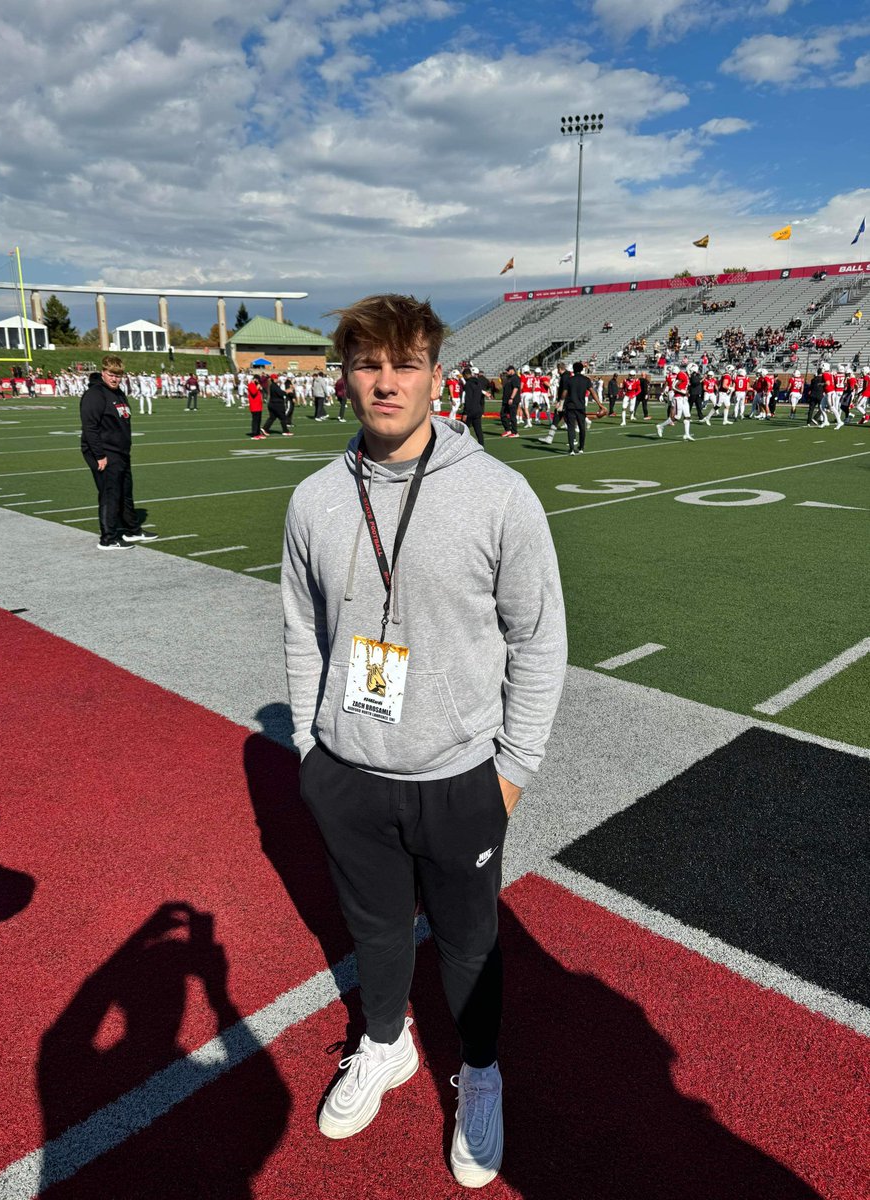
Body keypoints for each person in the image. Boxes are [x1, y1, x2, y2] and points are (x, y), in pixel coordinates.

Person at [281, 293, 566, 1190]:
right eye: (368, 364)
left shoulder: (497, 494)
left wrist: (512, 771)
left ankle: (479, 1071)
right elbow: (301, 629)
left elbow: (541, 638)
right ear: (345, 376)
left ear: (437, 375)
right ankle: (384, 1043)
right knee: (373, 932)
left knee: (471, 944)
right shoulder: (316, 500)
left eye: (405, 363)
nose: (386, 381)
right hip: (348, 772)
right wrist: (306, 747)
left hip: (458, 775)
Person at [79, 355, 159, 550]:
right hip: (104, 451)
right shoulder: (95, 394)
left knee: (125, 491)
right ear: (103, 372)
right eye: (111, 374)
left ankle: (132, 530)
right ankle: (108, 538)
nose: (115, 378)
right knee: (110, 493)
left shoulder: (118, 392)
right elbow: (90, 428)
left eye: (118, 375)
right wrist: (99, 455)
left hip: (120, 451)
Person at [561, 360, 592, 454]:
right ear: (582, 369)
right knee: (582, 427)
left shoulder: (569, 380)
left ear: (573, 370)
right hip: (581, 406)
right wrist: (599, 404)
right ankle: (581, 447)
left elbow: (564, 393)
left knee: (571, 427)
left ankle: (571, 449)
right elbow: (592, 392)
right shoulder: (586, 380)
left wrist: (561, 402)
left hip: (570, 406)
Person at [460, 366, 489, 446]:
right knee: (478, 430)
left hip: (470, 410)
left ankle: (462, 446)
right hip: (478, 409)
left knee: (463, 429)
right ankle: (481, 446)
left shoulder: (468, 384)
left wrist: (465, 412)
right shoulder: (478, 382)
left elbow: (468, 399)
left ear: (465, 375)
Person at [499, 365, 521, 437]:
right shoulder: (509, 378)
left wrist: (511, 398)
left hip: (513, 400)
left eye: (508, 371)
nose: (507, 372)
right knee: (502, 414)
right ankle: (508, 430)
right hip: (506, 400)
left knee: (512, 416)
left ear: (512, 370)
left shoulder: (516, 378)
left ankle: (515, 432)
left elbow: (516, 388)